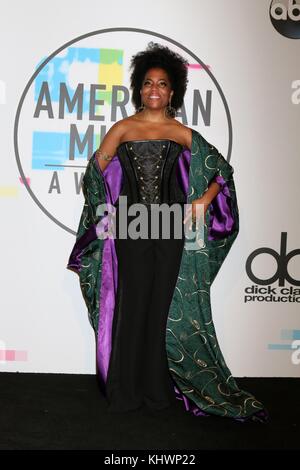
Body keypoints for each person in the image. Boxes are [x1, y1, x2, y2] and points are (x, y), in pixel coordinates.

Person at [67, 42, 267, 422]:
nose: (154, 89)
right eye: (147, 83)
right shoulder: (123, 128)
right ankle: (125, 391)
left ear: (173, 91)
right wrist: (104, 200)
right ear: (138, 89)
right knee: (132, 305)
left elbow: (222, 171)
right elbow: (94, 175)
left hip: (171, 229)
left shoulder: (180, 131)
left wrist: (204, 200)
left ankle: (158, 391)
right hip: (131, 226)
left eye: (161, 83)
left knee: (162, 308)